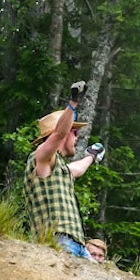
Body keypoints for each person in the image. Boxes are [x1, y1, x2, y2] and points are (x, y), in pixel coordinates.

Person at [23, 81, 107, 259]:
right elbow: (59, 134)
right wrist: (73, 103)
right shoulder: (41, 158)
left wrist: (92, 155)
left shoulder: (59, 169)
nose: (77, 137)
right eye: (74, 132)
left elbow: (79, 168)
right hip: (58, 240)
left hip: (78, 245)